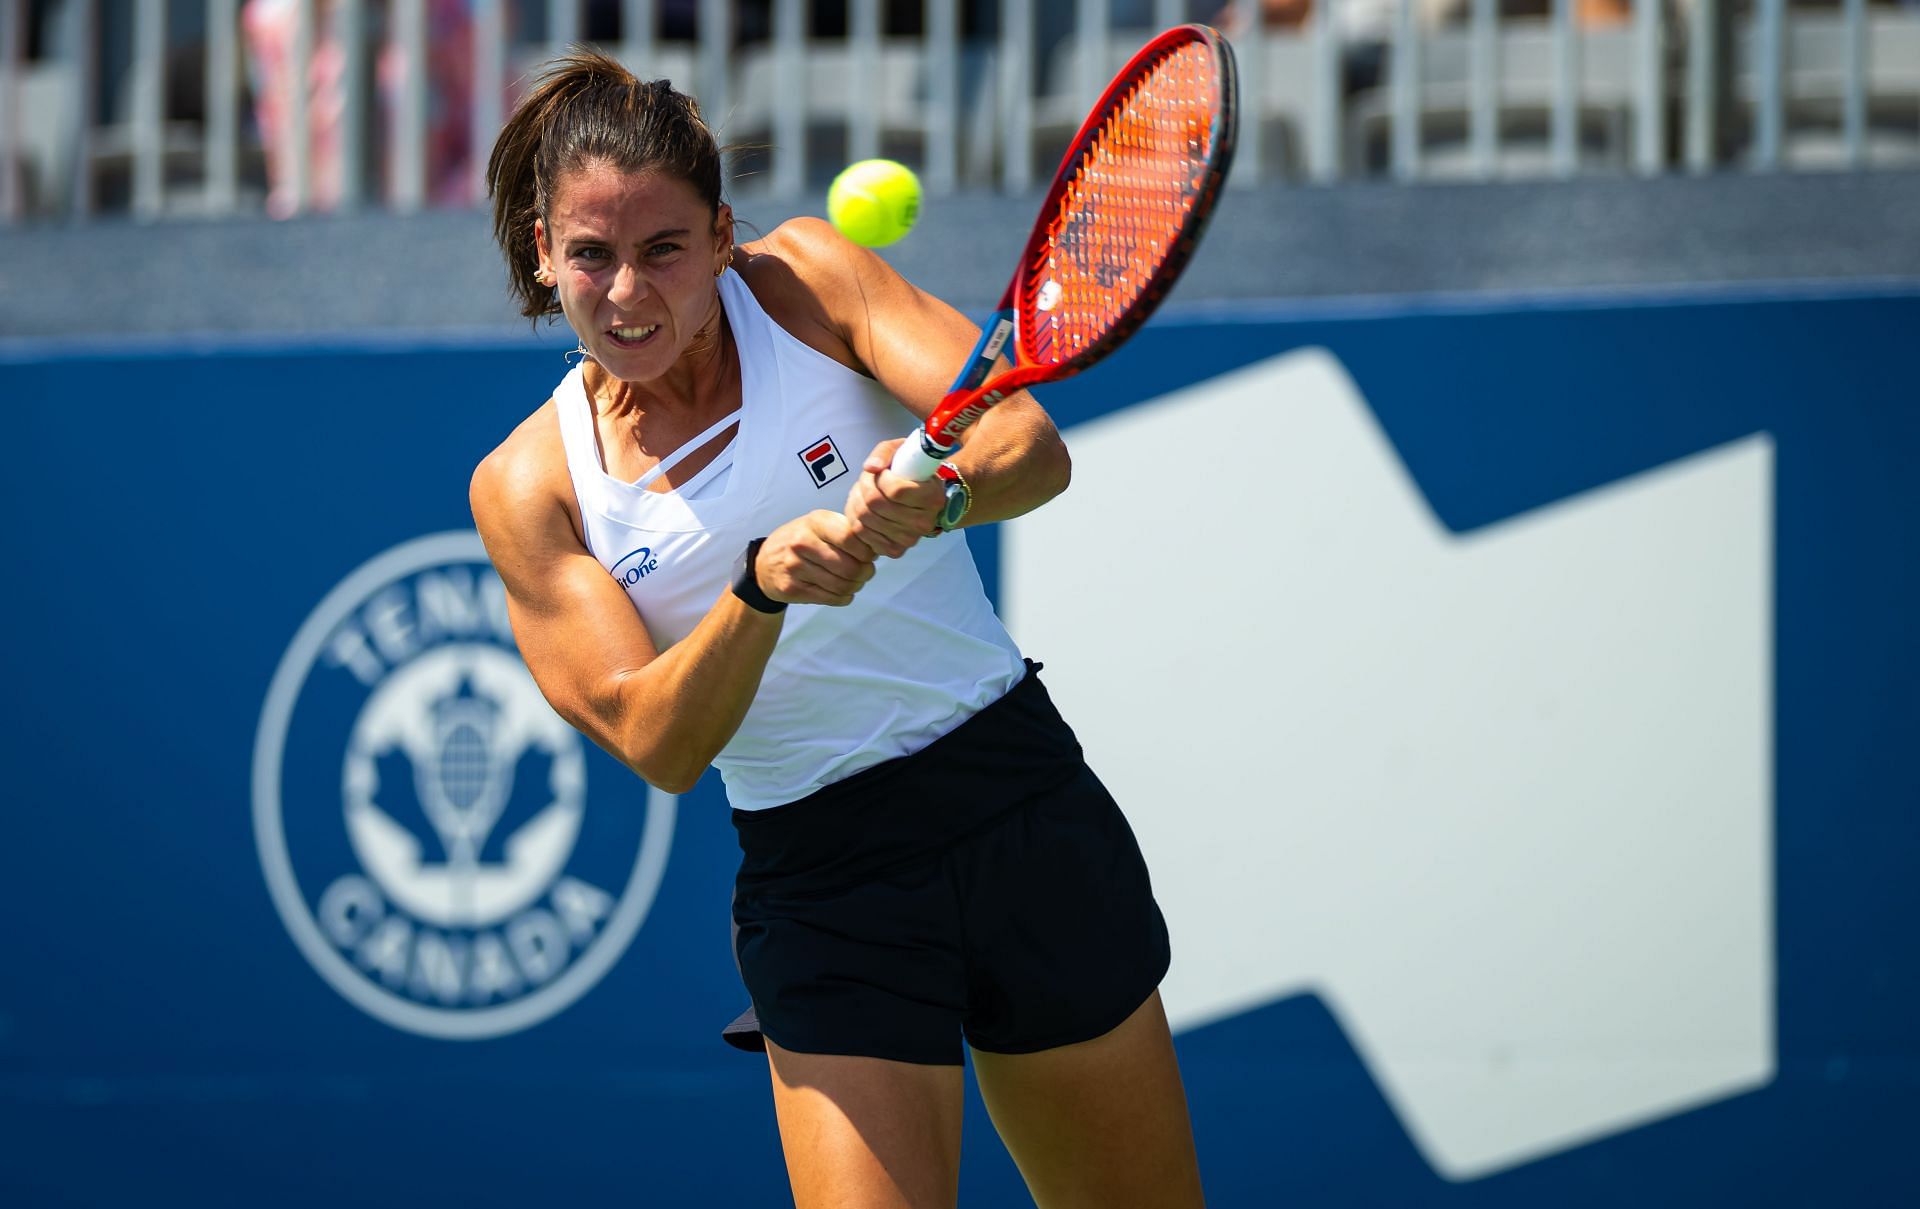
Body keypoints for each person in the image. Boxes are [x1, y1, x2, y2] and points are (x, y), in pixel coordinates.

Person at [471, 49, 1204, 1209]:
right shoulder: (530, 487)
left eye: (664, 248)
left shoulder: (806, 277)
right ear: (541, 257)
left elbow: (1027, 447)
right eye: (590, 256)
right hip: (826, 884)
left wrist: (943, 496)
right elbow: (655, 740)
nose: (626, 293)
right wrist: (758, 591)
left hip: (1018, 804)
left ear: (721, 235)